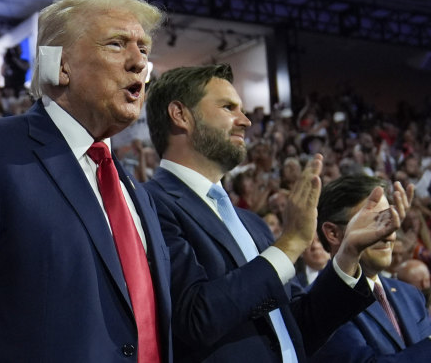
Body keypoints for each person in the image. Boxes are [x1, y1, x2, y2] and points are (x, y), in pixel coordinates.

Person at [0, 0, 172, 363]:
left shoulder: (135, 192)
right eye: (117, 44)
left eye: (143, 49)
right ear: (60, 66)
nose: (139, 62)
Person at [143, 64, 411, 362]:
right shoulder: (150, 204)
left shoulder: (251, 223)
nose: (245, 121)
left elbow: (296, 326)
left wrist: (347, 254)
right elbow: (195, 318)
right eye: (228, 107)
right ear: (181, 115)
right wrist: (292, 241)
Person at [312, 175, 431, 362]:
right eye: (375, 223)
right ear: (333, 233)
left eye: (390, 222)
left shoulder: (410, 295)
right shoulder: (320, 305)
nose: (389, 236)